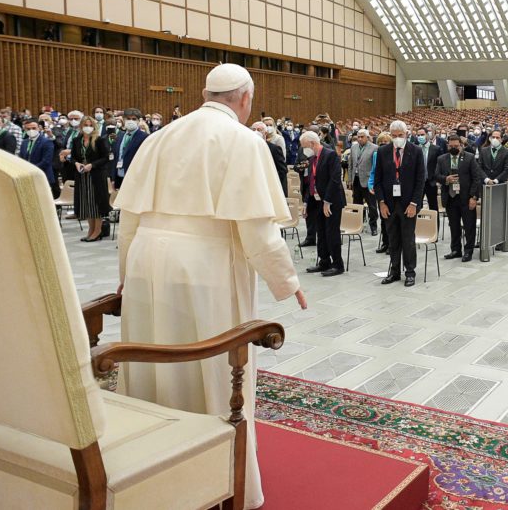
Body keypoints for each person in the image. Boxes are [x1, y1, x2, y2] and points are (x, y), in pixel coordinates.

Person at [114, 63, 306, 509]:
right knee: (211, 365)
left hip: (146, 258)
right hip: (204, 266)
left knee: (153, 356)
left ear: (205, 94)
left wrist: (126, 273)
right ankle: (216, 476)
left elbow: (128, 220)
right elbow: (257, 229)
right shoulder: (243, 140)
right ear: (245, 99)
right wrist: (287, 282)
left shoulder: (158, 137)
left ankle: (150, 469)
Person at [374, 120, 426, 287]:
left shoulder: (416, 151)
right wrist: (381, 202)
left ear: (406, 134)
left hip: (408, 204)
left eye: (400, 135)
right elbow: (377, 180)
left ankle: (410, 272)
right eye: (394, 136)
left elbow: (420, 181)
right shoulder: (383, 151)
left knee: (408, 240)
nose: (397, 138)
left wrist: (414, 203)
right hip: (389, 204)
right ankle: (394, 271)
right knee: (393, 239)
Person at [300, 131, 346, 277]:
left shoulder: (330, 155)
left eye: (304, 146)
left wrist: (327, 201)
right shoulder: (313, 158)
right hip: (317, 201)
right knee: (321, 232)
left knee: (331, 232)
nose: (303, 150)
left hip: (331, 201)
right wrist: (306, 202)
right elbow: (311, 182)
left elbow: (335, 180)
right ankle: (324, 261)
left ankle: (337, 264)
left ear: (312, 143)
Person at [436, 134, 481, 262]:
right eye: (451, 146)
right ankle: (455, 250)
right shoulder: (442, 159)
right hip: (450, 198)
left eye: (456, 146)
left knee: (469, 226)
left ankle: (468, 251)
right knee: (454, 226)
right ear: (447, 146)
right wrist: (446, 179)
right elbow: (436, 175)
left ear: (461, 145)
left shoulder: (470, 158)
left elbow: (476, 178)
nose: (454, 148)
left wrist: (474, 197)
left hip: (466, 198)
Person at [71, 115, 111, 241]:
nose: (87, 128)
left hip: (96, 176)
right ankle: (91, 229)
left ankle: (97, 230)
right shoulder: (77, 140)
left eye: (90, 125)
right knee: (86, 203)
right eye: (85, 125)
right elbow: (73, 157)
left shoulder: (99, 140)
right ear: (81, 126)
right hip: (82, 176)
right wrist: (76, 163)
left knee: (96, 203)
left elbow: (105, 157)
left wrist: (92, 165)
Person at [349, 128, 379, 236]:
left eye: (362, 137)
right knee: (357, 204)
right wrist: (350, 180)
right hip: (356, 180)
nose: (360, 139)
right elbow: (351, 164)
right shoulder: (354, 147)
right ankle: (358, 224)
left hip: (368, 181)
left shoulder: (374, 148)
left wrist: (375, 182)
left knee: (372, 206)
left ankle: (373, 226)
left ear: (367, 137)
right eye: (358, 136)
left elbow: (376, 166)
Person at [109, 108, 148, 190]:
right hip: (119, 176)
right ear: (124, 119)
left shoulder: (144, 137)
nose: (131, 121)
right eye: (128, 119)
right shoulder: (120, 135)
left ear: (138, 121)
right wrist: (113, 178)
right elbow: (115, 157)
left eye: (134, 119)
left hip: (135, 178)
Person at [19, 117, 56, 196]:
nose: (31, 130)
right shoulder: (24, 142)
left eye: (33, 128)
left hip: (42, 176)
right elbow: (21, 158)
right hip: (27, 177)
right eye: (28, 129)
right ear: (25, 130)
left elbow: (46, 161)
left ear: (39, 128)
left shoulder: (46, 142)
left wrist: (31, 170)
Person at [369, 131, 392, 253]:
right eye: (380, 142)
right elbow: (373, 172)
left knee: (391, 219)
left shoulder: (394, 154)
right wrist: (370, 184)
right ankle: (385, 243)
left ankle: (392, 245)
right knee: (383, 218)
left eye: (385, 142)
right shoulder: (376, 154)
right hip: (380, 189)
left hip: (391, 190)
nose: (383, 144)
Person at [251, 121, 288, 197]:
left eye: (259, 129)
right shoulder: (247, 147)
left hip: (270, 187)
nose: (256, 132)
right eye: (253, 129)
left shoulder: (274, 149)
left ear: (265, 133)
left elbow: (282, 170)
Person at [415, 127, 444, 214]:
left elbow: (440, 165)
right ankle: (417, 227)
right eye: (418, 135)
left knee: (434, 207)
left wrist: (438, 180)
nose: (420, 136)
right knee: (417, 207)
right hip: (418, 182)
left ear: (427, 135)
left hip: (431, 182)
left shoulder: (436, 149)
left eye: (422, 134)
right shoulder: (414, 148)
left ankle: (435, 227)